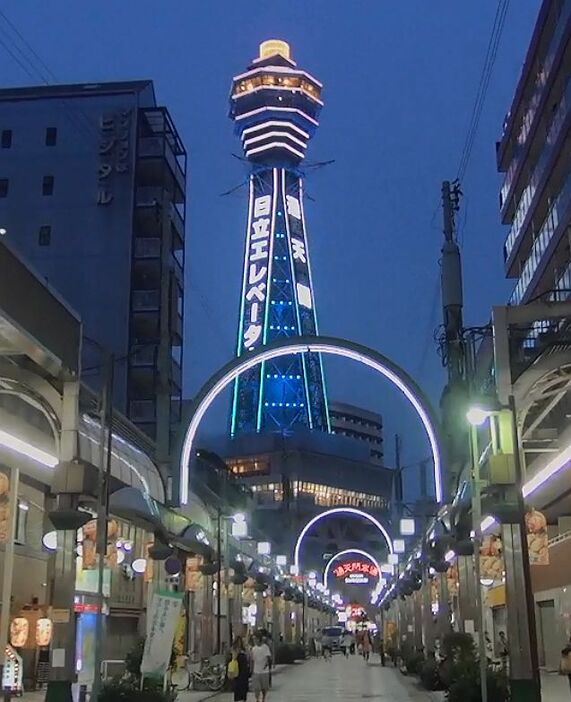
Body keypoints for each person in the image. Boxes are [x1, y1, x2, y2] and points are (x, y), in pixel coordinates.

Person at [251, 634, 272, 702]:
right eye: (254, 639)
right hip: (256, 671)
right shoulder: (253, 649)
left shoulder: (265, 647)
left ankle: (263, 698)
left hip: (264, 671)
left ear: (259, 639)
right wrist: (251, 670)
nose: (254, 641)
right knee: (256, 688)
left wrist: (267, 665)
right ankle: (257, 699)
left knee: (264, 687)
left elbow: (269, 658)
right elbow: (252, 660)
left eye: (256, 639)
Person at [229, 637, 250, 702]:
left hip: (244, 671)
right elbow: (233, 658)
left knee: (244, 689)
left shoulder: (244, 649)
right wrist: (236, 652)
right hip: (238, 670)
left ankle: (243, 699)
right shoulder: (234, 649)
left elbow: (248, 658)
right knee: (238, 689)